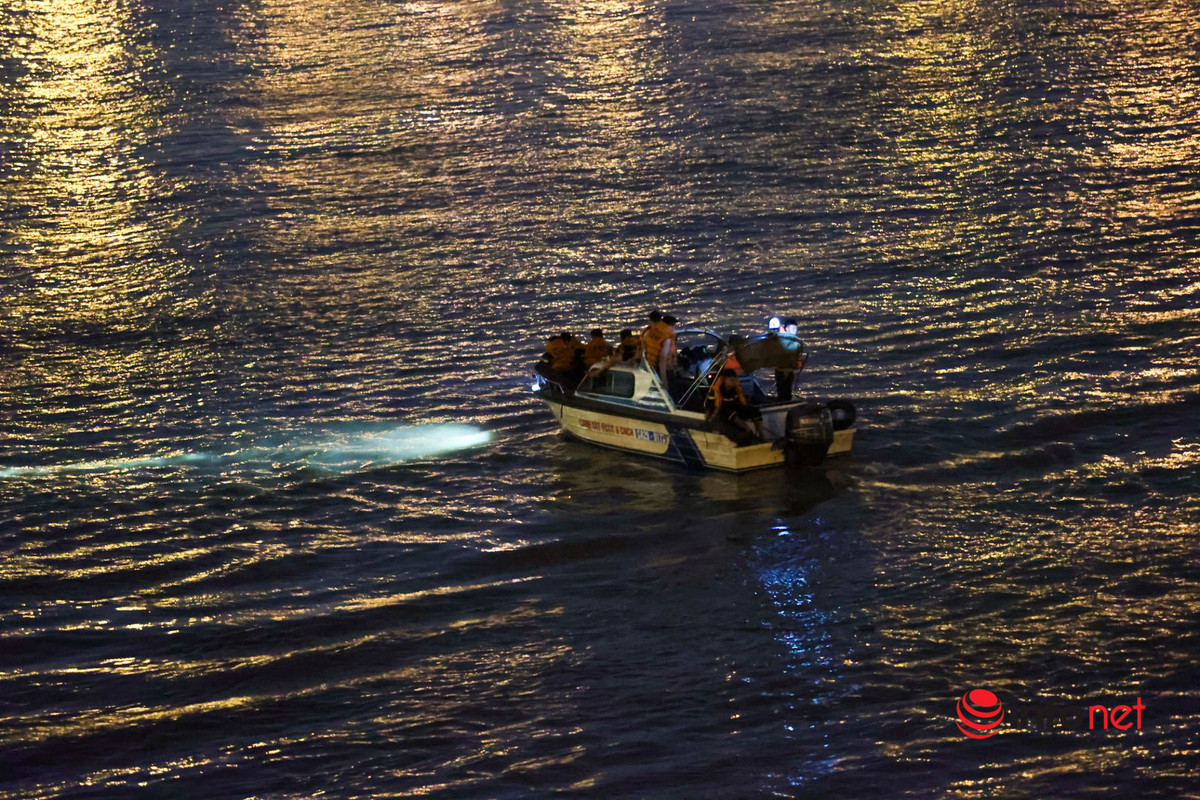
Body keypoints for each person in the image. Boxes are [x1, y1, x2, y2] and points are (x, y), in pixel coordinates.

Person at [705, 367, 764, 444]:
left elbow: (742, 404)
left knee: (755, 410)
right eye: (731, 380)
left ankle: (762, 436)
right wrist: (707, 420)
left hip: (735, 410)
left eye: (734, 380)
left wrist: (743, 395)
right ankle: (747, 430)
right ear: (724, 379)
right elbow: (709, 407)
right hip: (722, 413)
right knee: (729, 411)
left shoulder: (735, 389)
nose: (733, 382)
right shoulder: (716, 391)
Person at [775, 317, 799, 401]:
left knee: (785, 389)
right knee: (783, 390)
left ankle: (785, 403)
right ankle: (784, 403)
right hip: (783, 369)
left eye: (794, 329)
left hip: (786, 368)